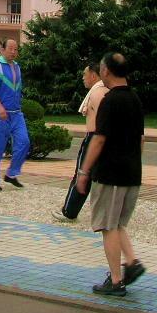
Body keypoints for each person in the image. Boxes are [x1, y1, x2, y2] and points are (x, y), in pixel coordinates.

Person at [75, 52, 147, 297]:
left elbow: (99, 139)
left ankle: (116, 281)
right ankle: (132, 263)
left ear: (106, 71)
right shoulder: (135, 99)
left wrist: (84, 171)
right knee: (116, 223)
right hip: (132, 173)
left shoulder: (110, 100)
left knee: (107, 226)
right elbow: (140, 140)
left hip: (111, 174)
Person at [52, 63, 108, 222]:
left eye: (85, 74)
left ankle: (69, 211)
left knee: (82, 173)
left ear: (93, 75)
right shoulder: (105, 91)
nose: (83, 77)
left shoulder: (98, 93)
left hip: (95, 137)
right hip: (101, 137)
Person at [0, 38, 30, 191]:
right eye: (10, 48)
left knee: (24, 142)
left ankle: (11, 174)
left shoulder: (17, 67)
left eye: (16, 49)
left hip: (16, 114)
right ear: (2, 50)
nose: (13, 52)